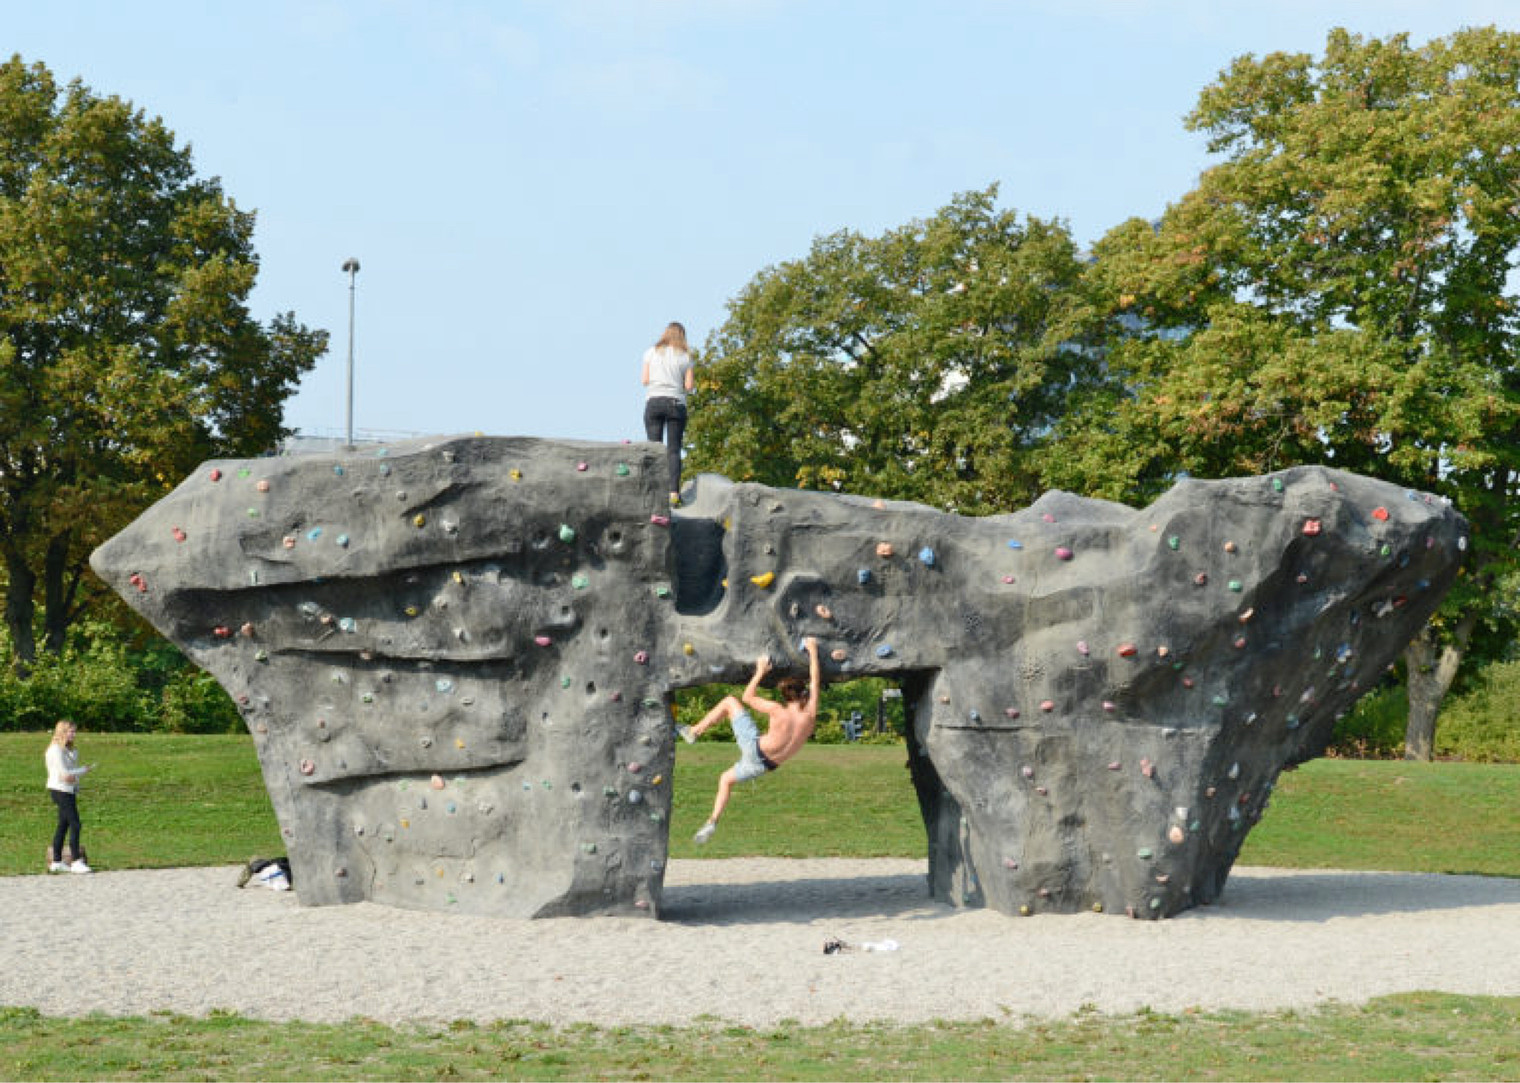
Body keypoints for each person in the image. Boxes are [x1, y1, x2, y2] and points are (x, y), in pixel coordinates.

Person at [681, 637, 821, 844]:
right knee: (726, 780)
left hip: (754, 747)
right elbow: (815, 680)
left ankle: (694, 731)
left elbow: (747, 697)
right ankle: (712, 821)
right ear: (804, 695)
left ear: (786, 696)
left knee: (730, 702)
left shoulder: (777, 710)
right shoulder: (810, 716)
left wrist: (760, 671)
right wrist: (813, 650)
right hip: (766, 765)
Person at [640, 321, 695, 506]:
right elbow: (689, 386)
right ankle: (673, 493)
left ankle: (653, 492)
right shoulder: (686, 356)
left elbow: (644, 380)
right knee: (673, 450)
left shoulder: (651, 352)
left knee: (653, 449)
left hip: (654, 401)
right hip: (675, 403)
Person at [45, 719, 95, 874]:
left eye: (74, 731)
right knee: (75, 824)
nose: (74, 734)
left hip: (68, 790)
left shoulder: (69, 750)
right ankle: (76, 861)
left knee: (63, 824)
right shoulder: (55, 750)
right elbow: (64, 774)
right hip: (60, 790)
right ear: (62, 732)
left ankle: (57, 861)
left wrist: (76, 777)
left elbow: (70, 775)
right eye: (71, 731)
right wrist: (83, 770)